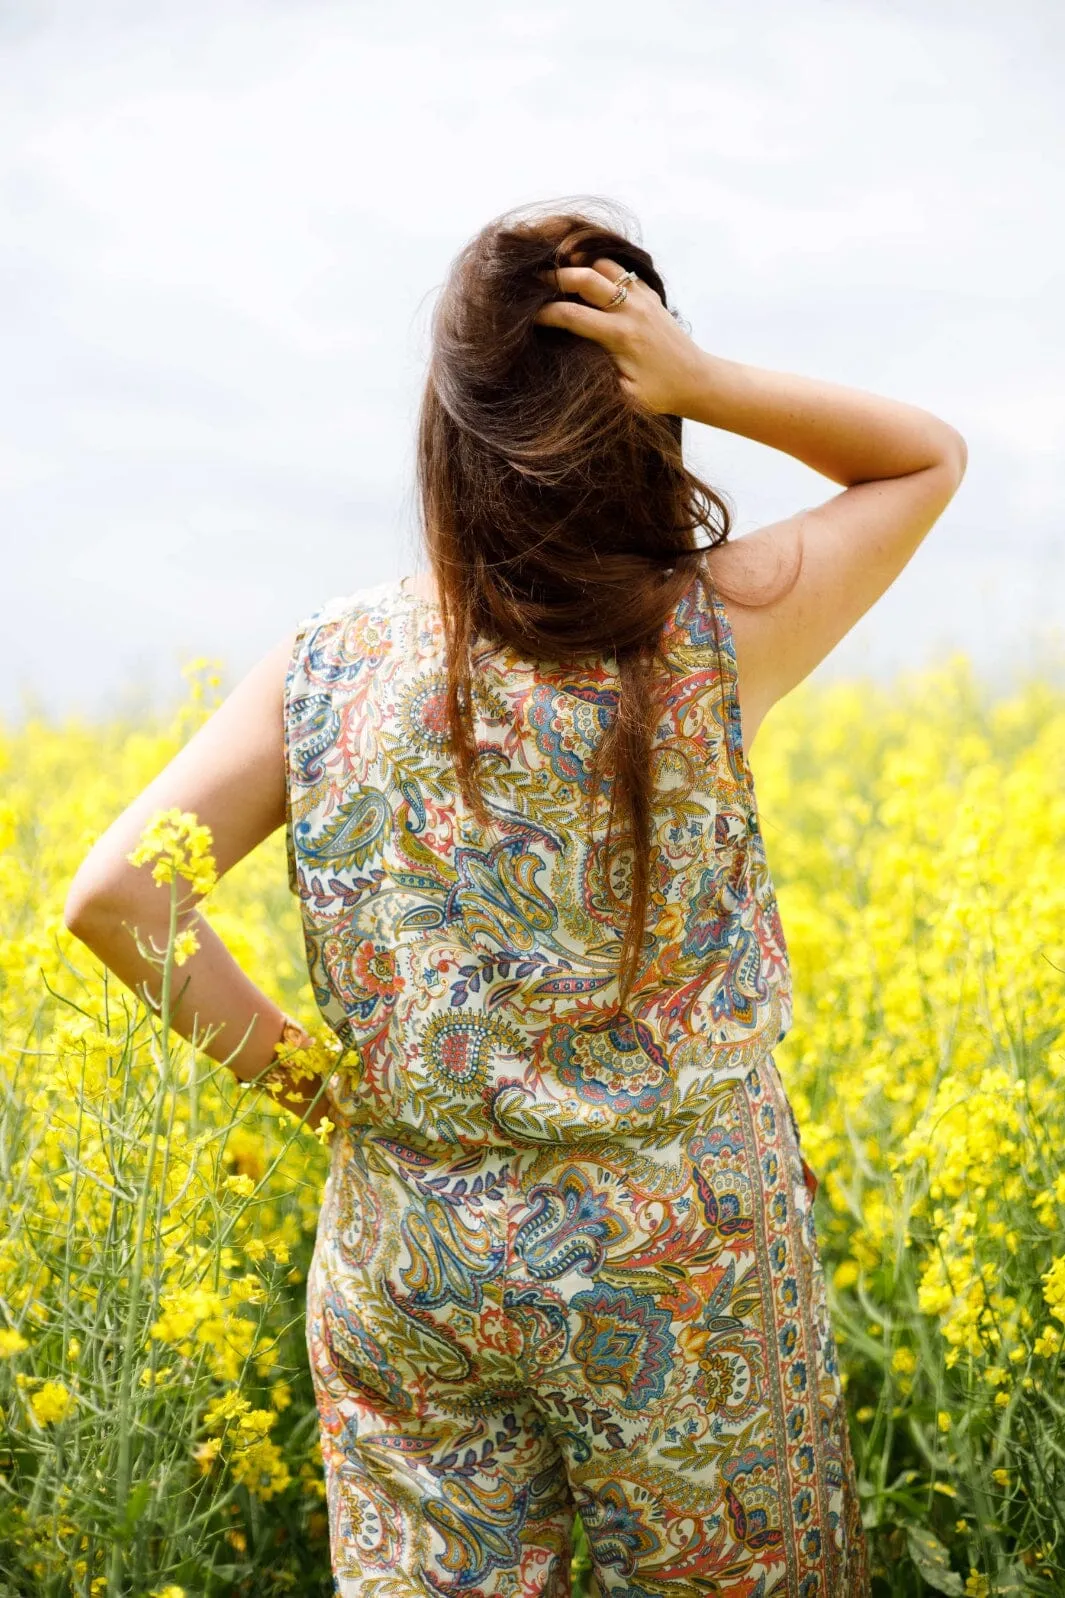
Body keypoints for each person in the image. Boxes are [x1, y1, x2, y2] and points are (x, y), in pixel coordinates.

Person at [64, 200, 967, 1597]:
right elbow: (926, 459)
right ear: (642, 416)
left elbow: (117, 894)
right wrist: (708, 378)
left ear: (450, 431)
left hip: (409, 1248)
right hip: (679, 1256)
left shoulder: (325, 664)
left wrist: (320, 1090)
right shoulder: (708, 629)